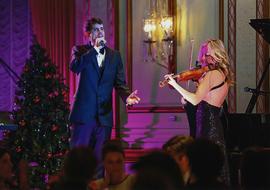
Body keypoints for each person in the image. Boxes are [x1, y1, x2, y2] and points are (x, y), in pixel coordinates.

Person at [69, 17, 140, 176]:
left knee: (100, 163)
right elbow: (74, 67)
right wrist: (93, 50)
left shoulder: (114, 56)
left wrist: (127, 97)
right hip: (83, 116)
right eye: (95, 29)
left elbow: (120, 82)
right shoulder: (79, 51)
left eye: (101, 28)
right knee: (79, 162)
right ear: (87, 33)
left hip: (104, 117)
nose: (100, 32)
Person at [164, 39, 233, 185]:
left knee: (203, 169)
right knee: (213, 170)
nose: (203, 58)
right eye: (202, 55)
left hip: (208, 127)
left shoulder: (212, 74)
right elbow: (204, 100)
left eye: (206, 54)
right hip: (213, 125)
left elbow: (195, 100)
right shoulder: (222, 73)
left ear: (216, 54)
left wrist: (175, 84)